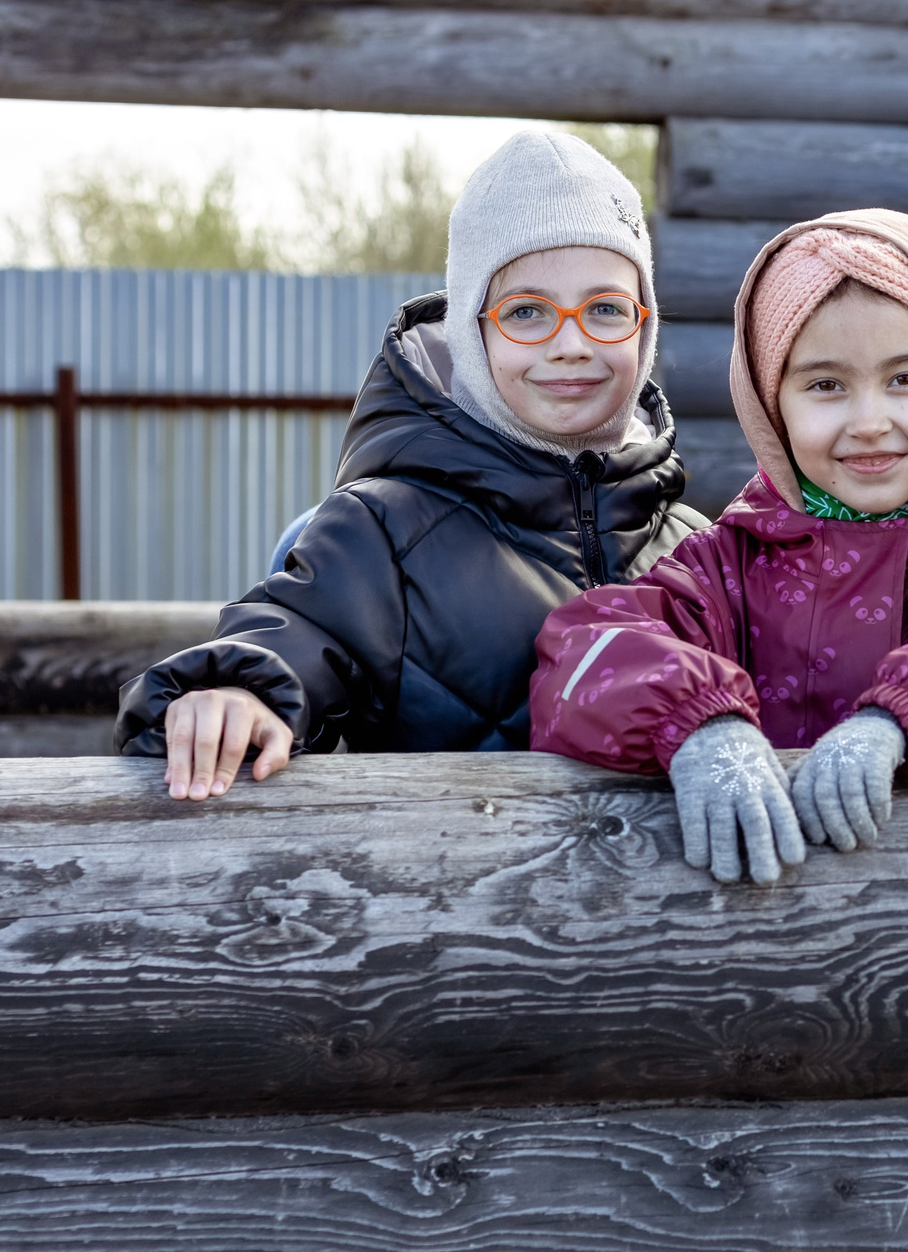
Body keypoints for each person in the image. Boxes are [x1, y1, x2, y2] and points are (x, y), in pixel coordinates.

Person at [530, 209, 908, 885]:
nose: (870, 422)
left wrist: (902, 717)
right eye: (826, 385)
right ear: (774, 407)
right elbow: (581, 657)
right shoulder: (725, 570)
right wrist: (700, 725)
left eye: (906, 378)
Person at [116, 129, 704, 795]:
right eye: (528, 312)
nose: (570, 342)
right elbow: (300, 630)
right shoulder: (383, 532)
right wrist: (237, 691)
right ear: (472, 333)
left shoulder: (694, 542)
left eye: (604, 308)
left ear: (645, 324)